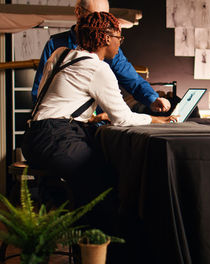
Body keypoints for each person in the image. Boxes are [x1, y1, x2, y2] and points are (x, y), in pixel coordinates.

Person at [22, 12, 175, 202]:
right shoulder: (98, 69)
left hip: (32, 139)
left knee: (99, 169)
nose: (120, 43)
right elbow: (123, 119)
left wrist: (92, 117)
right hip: (57, 141)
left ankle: (71, 218)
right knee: (108, 181)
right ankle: (97, 229)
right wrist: (155, 120)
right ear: (106, 38)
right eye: (119, 38)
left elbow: (54, 101)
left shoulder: (59, 54)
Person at [31, 0, 171, 113]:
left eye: (106, 16)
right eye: (96, 16)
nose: (102, 22)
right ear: (78, 12)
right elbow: (40, 92)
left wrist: (152, 98)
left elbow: (131, 78)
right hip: (64, 124)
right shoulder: (56, 46)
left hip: (98, 123)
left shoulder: (107, 48)